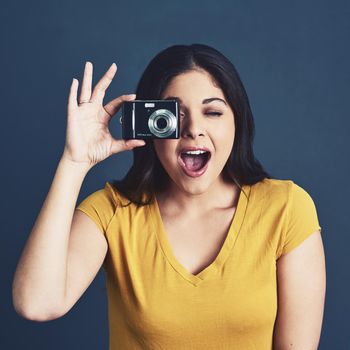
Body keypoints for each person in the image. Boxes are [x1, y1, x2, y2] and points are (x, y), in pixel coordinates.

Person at [12, 44, 326, 349]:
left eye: (213, 111)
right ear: (150, 126)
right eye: (173, 115)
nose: (193, 129)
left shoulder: (286, 209)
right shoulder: (113, 212)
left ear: (237, 123)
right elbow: (37, 304)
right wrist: (74, 163)